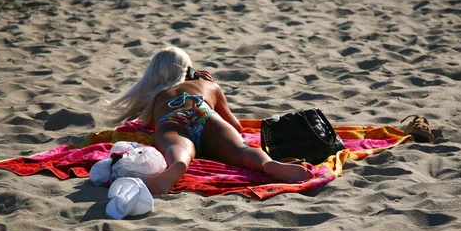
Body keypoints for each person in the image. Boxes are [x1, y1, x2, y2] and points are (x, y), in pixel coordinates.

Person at [105, 46, 312, 194]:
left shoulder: (156, 96)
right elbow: (236, 126)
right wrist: (210, 85)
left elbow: (148, 126)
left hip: (172, 120)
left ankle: (178, 164)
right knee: (243, 150)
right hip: (205, 114)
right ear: (189, 70)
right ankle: (268, 165)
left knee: (178, 148)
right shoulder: (209, 86)